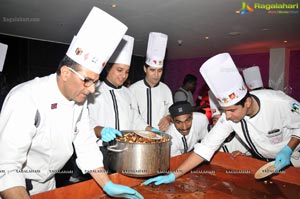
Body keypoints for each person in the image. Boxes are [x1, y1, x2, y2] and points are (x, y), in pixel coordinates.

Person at [0, 7, 143, 199]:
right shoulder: (25, 98)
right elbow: (6, 168)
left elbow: (86, 146)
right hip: (17, 188)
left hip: (50, 183)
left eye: (96, 81)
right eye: (87, 81)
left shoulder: (79, 100)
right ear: (66, 73)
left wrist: (107, 184)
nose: (92, 89)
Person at [143, 52, 300, 186]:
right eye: (225, 111)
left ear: (247, 102)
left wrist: (288, 148)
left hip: (294, 158)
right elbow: (205, 148)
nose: (228, 116)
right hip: (263, 162)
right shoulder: (229, 117)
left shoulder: (278, 102)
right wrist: (173, 175)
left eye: (232, 110)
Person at [88, 35, 155, 172]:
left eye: (127, 71)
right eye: (119, 70)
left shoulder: (128, 93)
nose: (124, 76)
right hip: (101, 150)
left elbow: (135, 119)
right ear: (108, 68)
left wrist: (149, 129)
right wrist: (101, 131)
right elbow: (86, 121)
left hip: (126, 148)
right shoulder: (93, 90)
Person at [129, 32, 173, 132]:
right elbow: (130, 116)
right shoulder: (133, 89)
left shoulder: (166, 89)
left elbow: (171, 112)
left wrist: (168, 118)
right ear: (145, 69)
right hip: (138, 137)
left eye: (160, 70)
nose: (156, 75)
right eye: (152, 70)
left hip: (160, 136)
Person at [208, 90, 250, 157]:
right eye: (215, 120)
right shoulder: (208, 141)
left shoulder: (243, 136)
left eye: (222, 121)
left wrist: (244, 157)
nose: (218, 125)